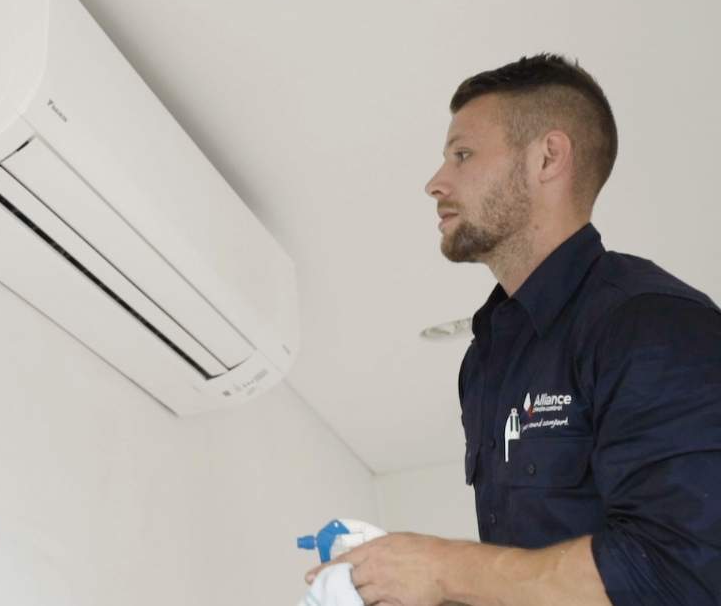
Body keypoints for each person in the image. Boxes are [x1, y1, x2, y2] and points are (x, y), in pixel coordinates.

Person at [305, 54, 721, 604]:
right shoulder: (484, 362)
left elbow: (685, 567)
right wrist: (397, 582)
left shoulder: (650, 322)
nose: (435, 182)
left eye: (463, 154)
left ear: (547, 157)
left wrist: (440, 568)